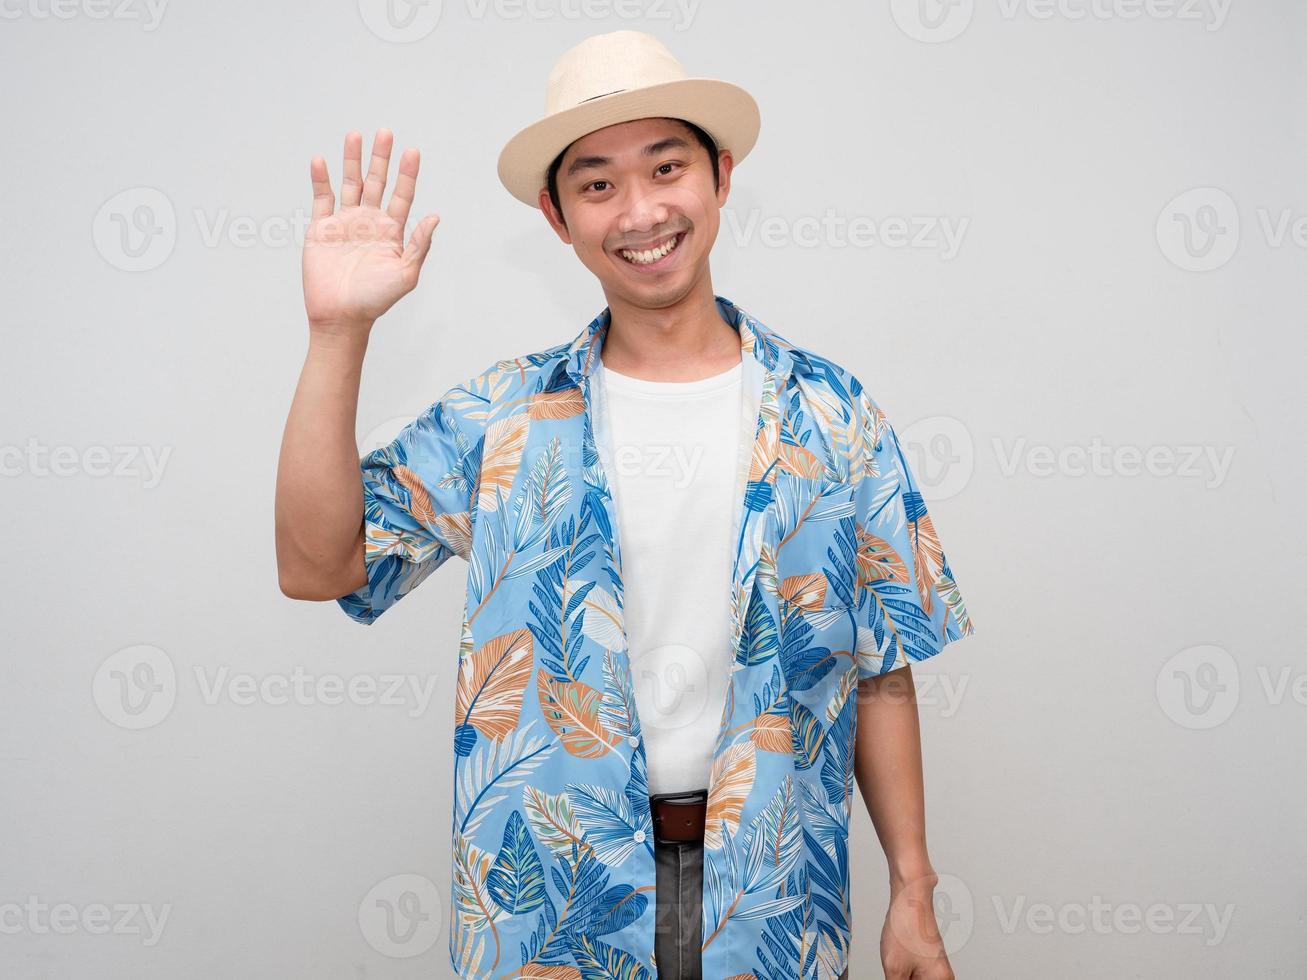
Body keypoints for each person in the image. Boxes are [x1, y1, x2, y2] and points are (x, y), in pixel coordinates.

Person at [275, 29, 976, 980]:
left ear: (720, 177)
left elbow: (881, 669)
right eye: (597, 183)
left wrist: (911, 888)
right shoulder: (504, 417)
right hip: (552, 902)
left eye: (666, 166)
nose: (640, 210)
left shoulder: (831, 414)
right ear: (557, 218)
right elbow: (319, 566)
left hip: (773, 896)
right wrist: (336, 335)